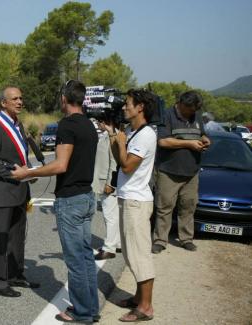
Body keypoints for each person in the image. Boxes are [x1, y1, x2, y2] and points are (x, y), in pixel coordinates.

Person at [11, 80, 99, 323]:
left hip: (70, 200)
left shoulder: (67, 125)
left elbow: (60, 165)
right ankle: (91, 308)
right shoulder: (89, 125)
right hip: (86, 197)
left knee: (75, 260)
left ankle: (82, 312)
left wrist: (27, 173)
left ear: (64, 98)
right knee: (85, 256)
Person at [104, 88, 158, 322]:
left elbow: (127, 167)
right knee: (130, 254)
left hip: (137, 202)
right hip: (129, 198)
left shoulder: (146, 135)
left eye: (127, 104)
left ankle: (145, 307)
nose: (124, 107)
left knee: (140, 256)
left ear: (140, 108)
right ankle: (138, 298)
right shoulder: (134, 132)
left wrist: (122, 141)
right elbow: (119, 160)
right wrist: (113, 136)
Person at [0, 86, 39, 298]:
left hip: (20, 192)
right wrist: (14, 174)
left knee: (17, 236)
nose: (19, 102)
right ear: (3, 103)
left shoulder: (18, 124)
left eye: (21, 98)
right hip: (3, 192)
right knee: (1, 238)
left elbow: (20, 156)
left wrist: (29, 171)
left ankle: (15, 274)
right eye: (14, 99)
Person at [152, 91, 210, 254]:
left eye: (196, 109)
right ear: (182, 104)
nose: (193, 112)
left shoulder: (196, 116)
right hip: (169, 171)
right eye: (191, 109)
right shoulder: (167, 116)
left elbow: (202, 133)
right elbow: (163, 141)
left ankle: (186, 239)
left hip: (191, 172)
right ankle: (160, 240)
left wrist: (205, 139)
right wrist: (190, 144)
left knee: (188, 206)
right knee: (164, 207)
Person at [92, 117, 121, 261]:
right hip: (104, 181)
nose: (98, 124)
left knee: (110, 216)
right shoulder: (104, 136)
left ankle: (109, 248)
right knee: (114, 215)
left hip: (108, 182)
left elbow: (114, 161)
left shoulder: (112, 136)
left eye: (100, 121)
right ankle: (117, 243)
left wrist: (110, 183)